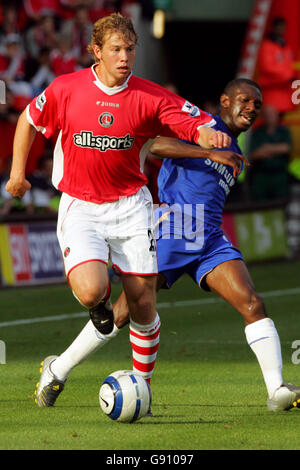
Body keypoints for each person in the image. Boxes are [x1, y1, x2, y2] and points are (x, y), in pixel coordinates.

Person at [5, 13, 244, 408]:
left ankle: (142, 390)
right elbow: (28, 121)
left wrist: (205, 132)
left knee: (143, 304)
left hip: (132, 208)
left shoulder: (149, 95)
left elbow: (190, 120)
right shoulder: (67, 88)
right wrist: (17, 174)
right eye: (116, 49)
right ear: (96, 51)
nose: (124, 57)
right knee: (93, 291)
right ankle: (91, 319)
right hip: (81, 207)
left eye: (130, 49)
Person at [41, 77, 300, 413]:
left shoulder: (236, 149)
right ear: (223, 100)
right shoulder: (200, 126)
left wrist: (219, 155)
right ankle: (57, 370)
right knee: (121, 313)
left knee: (252, 303)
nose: (250, 109)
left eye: (256, 105)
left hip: (210, 236)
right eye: (244, 100)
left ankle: (276, 389)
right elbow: (155, 143)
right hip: (175, 226)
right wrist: (207, 151)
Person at [249, 104, 292, 202]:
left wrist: (266, 148)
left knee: (281, 203)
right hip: (261, 175)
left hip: (279, 175)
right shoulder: (257, 132)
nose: (270, 117)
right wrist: (276, 149)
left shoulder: (283, 131)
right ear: (263, 117)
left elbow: (286, 148)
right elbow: (253, 154)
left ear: (277, 116)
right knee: (260, 203)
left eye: (272, 114)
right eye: (267, 115)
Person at [257, 17, 296, 115]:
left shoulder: (285, 46)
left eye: (283, 27)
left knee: (281, 122)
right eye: (279, 27)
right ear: (273, 28)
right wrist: (287, 76)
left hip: (285, 92)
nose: (281, 29)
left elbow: (289, 66)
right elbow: (267, 67)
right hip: (271, 91)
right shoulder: (267, 46)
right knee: (271, 120)